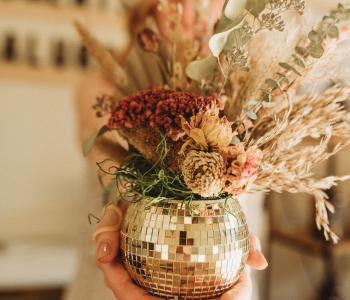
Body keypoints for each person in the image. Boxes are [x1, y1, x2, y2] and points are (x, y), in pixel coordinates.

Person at [64, 1, 269, 299]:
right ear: (147, 8)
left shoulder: (252, 95)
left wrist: (232, 245)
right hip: (118, 279)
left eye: (204, 0)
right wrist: (123, 211)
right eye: (174, 1)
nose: (189, 12)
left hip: (221, 281)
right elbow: (115, 175)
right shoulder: (100, 88)